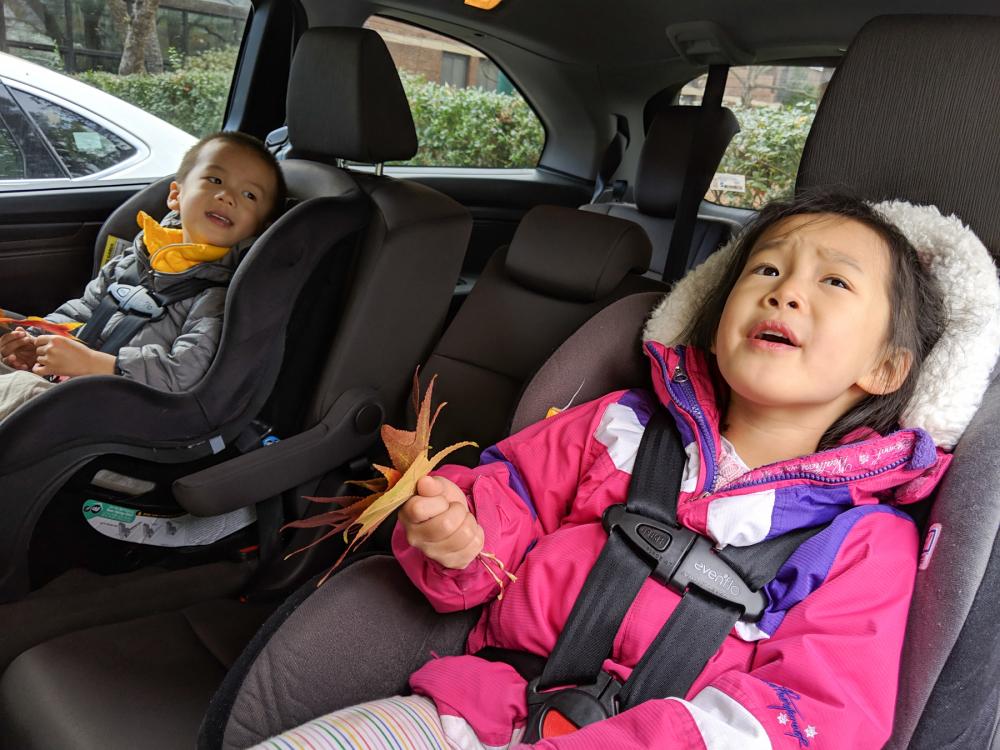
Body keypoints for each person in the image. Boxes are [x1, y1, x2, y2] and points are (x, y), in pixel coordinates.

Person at [254, 192, 957, 749]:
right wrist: (459, 536)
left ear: (884, 368)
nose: (786, 293)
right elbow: (510, 495)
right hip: (476, 710)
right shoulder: (619, 427)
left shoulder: (863, 541)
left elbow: (812, 716)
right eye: (766, 270)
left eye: (834, 280)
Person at [0, 130, 286, 422]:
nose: (227, 196)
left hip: (127, 409)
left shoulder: (220, 295)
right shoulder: (139, 254)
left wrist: (98, 364)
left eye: (249, 195)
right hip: (73, 382)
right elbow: (84, 310)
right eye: (215, 180)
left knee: (22, 389)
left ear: (260, 228)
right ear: (175, 195)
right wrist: (37, 341)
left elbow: (184, 375)